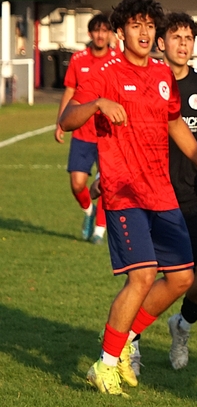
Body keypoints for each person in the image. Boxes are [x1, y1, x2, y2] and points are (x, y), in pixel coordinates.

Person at [59, 0, 197, 397]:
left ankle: (126, 335)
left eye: (150, 25)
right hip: (124, 191)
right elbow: (68, 117)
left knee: (182, 277)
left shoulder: (163, 75)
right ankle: (105, 364)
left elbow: (175, 124)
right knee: (144, 276)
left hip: (160, 192)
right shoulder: (106, 72)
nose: (145, 32)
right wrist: (98, 103)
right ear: (121, 32)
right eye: (136, 25)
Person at [156, 12, 197, 372]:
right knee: (148, 278)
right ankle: (129, 343)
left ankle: (181, 326)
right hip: (153, 195)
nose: (183, 44)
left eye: (189, 38)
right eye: (176, 37)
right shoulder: (151, 82)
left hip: (191, 196)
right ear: (161, 43)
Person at [54, 13, 115, 243]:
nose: (100, 35)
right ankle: (89, 211)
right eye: (97, 30)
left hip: (107, 134)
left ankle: (99, 230)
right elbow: (70, 91)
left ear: (110, 34)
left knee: (107, 183)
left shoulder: (117, 60)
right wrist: (60, 121)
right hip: (82, 132)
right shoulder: (79, 59)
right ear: (90, 33)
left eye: (105, 30)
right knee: (77, 183)